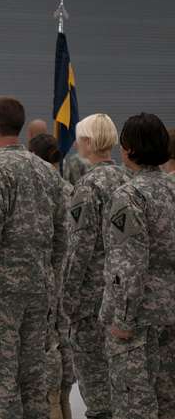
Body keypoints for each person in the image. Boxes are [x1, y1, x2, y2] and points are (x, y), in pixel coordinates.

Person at [0, 97, 67, 418]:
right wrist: (51, 278)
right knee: (34, 381)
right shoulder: (46, 171)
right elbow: (62, 235)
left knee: (1, 384)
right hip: (39, 291)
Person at [100, 113, 175, 419]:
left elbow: (130, 263)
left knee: (135, 406)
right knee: (169, 401)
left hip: (140, 318)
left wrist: (124, 319)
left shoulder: (129, 195)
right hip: (170, 312)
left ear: (128, 148)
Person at [61, 113, 129, 419]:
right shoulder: (129, 178)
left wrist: (69, 294)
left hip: (92, 297)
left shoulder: (88, 186)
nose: (76, 143)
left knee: (95, 378)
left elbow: (79, 248)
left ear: (88, 141)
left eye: (79, 137)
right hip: (126, 291)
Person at [29, 133, 76, 419]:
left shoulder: (38, 193)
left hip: (44, 284)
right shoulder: (71, 190)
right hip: (68, 285)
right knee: (63, 353)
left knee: (46, 359)